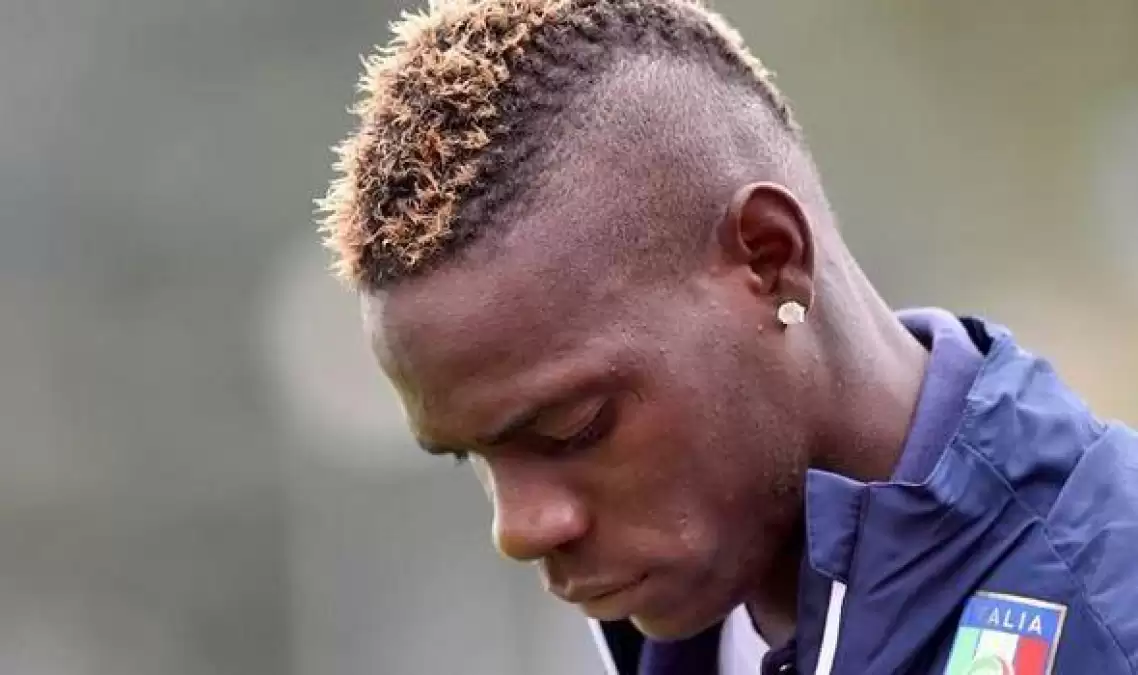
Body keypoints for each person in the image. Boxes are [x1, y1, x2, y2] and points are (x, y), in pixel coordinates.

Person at [317, 1, 1138, 673]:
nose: (519, 529)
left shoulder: (1108, 614)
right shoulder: (680, 616)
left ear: (770, 259)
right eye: (472, 456)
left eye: (573, 425)